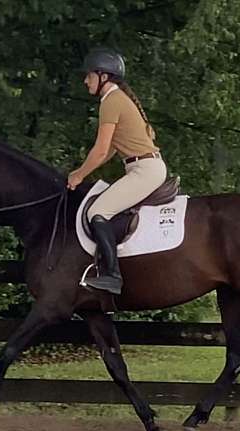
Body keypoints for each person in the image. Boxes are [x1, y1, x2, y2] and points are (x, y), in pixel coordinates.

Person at [67, 48, 167, 295]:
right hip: (144, 167)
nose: (85, 80)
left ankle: (112, 275)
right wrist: (82, 170)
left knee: (97, 211)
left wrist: (79, 175)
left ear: (103, 76)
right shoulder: (117, 98)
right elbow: (111, 149)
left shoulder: (111, 101)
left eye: (89, 76)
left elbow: (101, 151)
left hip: (145, 169)